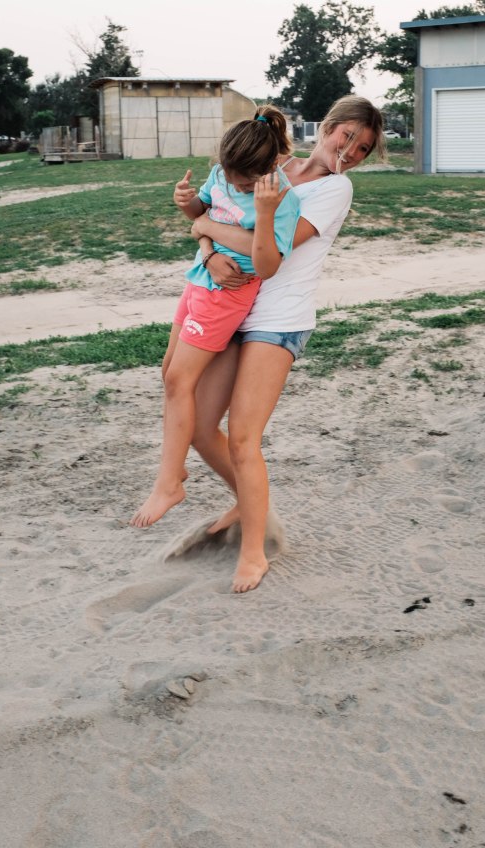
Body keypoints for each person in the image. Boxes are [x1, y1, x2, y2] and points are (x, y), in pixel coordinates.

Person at [179, 95, 386, 592]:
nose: (351, 151)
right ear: (328, 127)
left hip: (278, 320)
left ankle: (254, 552)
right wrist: (206, 247)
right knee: (200, 428)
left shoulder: (336, 189)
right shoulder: (274, 163)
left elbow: (270, 249)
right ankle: (251, 503)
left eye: (363, 148)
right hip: (233, 307)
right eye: (348, 137)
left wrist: (204, 226)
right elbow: (221, 212)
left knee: (243, 437)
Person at [130, 105, 300, 528]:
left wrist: (263, 212)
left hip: (227, 294)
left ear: (270, 167)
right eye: (229, 176)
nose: (235, 185)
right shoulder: (223, 174)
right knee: (168, 371)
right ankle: (175, 473)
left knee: (179, 380)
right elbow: (200, 215)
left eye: (245, 182)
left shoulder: (281, 199)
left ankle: (169, 482)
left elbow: (267, 265)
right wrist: (186, 202)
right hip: (200, 277)